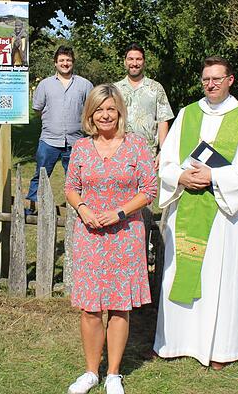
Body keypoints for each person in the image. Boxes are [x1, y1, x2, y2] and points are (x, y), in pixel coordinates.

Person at [153, 56, 238, 368]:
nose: (210, 84)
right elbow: (167, 159)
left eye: (216, 79)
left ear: (230, 80)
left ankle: (221, 349)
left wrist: (214, 177)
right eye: (206, 79)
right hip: (186, 204)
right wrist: (180, 176)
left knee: (220, 275)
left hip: (223, 217)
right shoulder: (187, 114)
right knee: (179, 271)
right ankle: (173, 342)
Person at [64, 84, 157, 394]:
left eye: (110, 109)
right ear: (91, 114)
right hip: (89, 235)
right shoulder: (80, 148)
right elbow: (70, 188)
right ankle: (91, 371)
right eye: (98, 110)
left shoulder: (137, 146)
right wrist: (83, 208)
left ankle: (114, 373)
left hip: (125, 235)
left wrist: (119, 212)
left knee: (119, 306)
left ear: (119, 112)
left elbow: (148, 190)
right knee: (90, 307)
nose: (105, 115)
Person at [26, 45, 93, 212]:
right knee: (40, 176)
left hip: (76, 141)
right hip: (49, 139)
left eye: (68, 60)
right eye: (61, 60)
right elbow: (38, 108)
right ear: (55, 63)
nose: (65, 63)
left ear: (73, 63)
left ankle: (79, 209)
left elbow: (92, 108)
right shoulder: (45, 84)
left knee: (77, 178)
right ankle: (32, 207)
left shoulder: (84, 84)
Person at [113, 43, 175, 169]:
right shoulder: (114, 89)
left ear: (144, 62)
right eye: (130, 59)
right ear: (125, 62)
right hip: (119, 154)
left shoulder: (156, 88)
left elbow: (163, 120)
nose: (134, 63)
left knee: (147, 189)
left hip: (148, 156)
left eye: (138, 59)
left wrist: (163, 151)